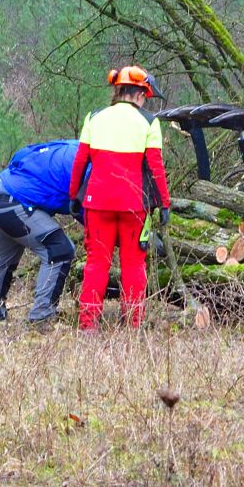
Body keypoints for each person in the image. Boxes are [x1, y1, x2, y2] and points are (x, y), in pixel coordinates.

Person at [69, 65, 170, 330]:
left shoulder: (95, 117)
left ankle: (88, 325)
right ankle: (133, 325)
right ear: (139, 93)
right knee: (134, 265)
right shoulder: (150, 122)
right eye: (145, 95)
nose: (146, 100)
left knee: (96, 265)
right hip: (135, 206)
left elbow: (80, 161)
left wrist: (73, 195)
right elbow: (156, 168)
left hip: (97, 203)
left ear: (118, 90)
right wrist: (165, 203)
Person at [0, 138, 79, 324]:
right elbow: (84, 209)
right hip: (14, 203)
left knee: (4, 258)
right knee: (60, 250)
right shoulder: (87, 166)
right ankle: (42, 315)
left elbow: (22, 154)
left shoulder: (69, 146)